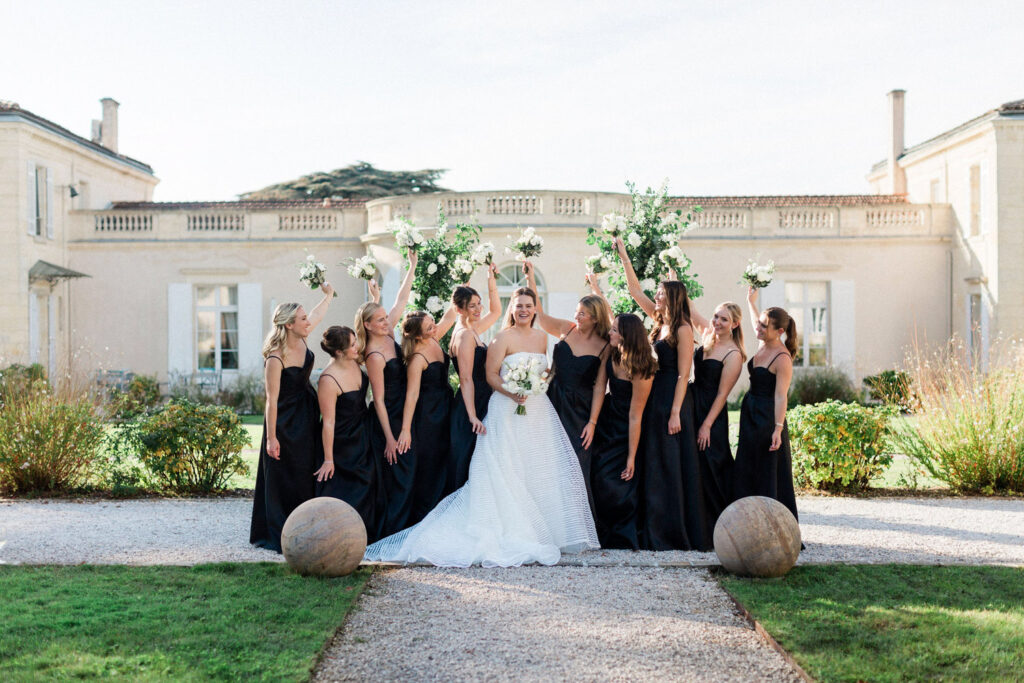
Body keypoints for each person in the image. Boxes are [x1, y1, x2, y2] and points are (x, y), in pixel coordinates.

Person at [364, 287, 599, 567]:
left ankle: (546, 529)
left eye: (528, 305)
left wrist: (537, 382)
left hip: (536, 409)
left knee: (539, 466)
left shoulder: (540, 337)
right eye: (518, 305)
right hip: (502, 406)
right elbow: (485, 375)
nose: (523, 309)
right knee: (504, 467)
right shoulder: (497, 337)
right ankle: (509, 528)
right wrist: (507, 394)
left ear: (535, 309)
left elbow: (543, 370)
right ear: (513, 309)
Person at [615, 237, 709, 551]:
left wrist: (674, 412)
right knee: (653, 462)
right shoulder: (659, 321)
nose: (655, 296)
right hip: (654, 397)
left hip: (674, 400)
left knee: (669, 464)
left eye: (661, 292)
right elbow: (634, 291)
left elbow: (684, 373)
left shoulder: (682, 327)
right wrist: (625, 256)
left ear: (672, 296)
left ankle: (672, 532)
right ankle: (652, 528)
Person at [250, 284, 335, 552]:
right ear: (289, 325)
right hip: (284, 420)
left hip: (307, 413)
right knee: (284, 472)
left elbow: (318, 314)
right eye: (302, 319)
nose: (308, 321)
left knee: (304, 468)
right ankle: (281, 530)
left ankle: (305, 525)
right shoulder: (276, 357)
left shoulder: (302, 339)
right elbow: (271, 400)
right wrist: (272, 438)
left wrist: (328, 295)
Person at [523, 261, 611, 512]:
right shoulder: (566, 328)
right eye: (576, 311)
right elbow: (539, 316)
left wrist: (592, 423)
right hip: (551, 398)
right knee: (546, 458)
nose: (576, 316)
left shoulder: (604, 346)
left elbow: (599, 387)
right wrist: (531, 280)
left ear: (594, 318)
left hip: (580, 408)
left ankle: (577, 519)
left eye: (582, 313)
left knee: (575, 460)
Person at [356, 251, 417, 536]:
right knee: (396, 472)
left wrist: (412, 266)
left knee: (408, 471)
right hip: (387, 418)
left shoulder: (390, 334)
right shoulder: (373, 354)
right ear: (368, 325)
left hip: (404, 410)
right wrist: (390, 438)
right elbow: (377, 400)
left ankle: (408, 526)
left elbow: (401, 300)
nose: (386, 322)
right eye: (379, 320)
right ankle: (393, 530)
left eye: (385, 318)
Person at [589, 313, 656, 550]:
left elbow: (636, 414)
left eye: (615, 330)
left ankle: (623, 536)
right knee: (598, 473)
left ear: (627, 334)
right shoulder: (611, 351)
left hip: (628, 426)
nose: (610, 333)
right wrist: (593, 422)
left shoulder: (643, 366)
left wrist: (631, 455)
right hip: (607, 419)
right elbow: (599, 387)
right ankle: (599, 532)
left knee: (622, 477)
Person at [735, 287, 800, 523]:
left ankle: (772, 524)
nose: (758, 329)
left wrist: (778, 429)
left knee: (766, 470)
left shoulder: (782, 358)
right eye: (760, 323)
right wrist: (750, 302)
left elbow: (781, 396)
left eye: (764, 326)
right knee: (747, 465)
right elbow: (755, 322)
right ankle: (746, 521)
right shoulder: (764, 340)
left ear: (780, 331)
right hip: (750, 413)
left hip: (767, 417)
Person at [314, 326, 383, 542]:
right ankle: (340, 537)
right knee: (344, 489)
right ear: (339, 352)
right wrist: (328, 459)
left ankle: (365, 534)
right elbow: (328, 422)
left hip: (363, 433)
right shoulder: (328, 379)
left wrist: (375, 300)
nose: (357, 347)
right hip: (342, 441)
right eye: (352, 345)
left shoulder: (354, 361)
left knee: (369, 482)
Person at [395, 309, 457, 525]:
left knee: (446, 459)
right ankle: (426, 518)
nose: (434, 327)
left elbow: (450, 316)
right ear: (418, 336)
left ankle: (445, 513)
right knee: (431, 464)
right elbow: (411, 395)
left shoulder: (433, 338)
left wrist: (463, 285)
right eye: (429, 327)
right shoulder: (417, 358)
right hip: (427, 416)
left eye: (433, 322)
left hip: (445, 407)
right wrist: (405, 429)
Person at [687, 300, 745, 526]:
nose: (717, 322)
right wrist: (674, 273)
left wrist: (706, 425)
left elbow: (722, 395)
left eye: (724, 319)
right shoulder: (708, 335)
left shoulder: (734, 354)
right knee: (695, 465)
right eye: (716, 317)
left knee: (713, 465)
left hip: (712, 414)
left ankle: (724, 522)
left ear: (735, 323)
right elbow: (691, 311)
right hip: (692, 406)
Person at [447, 265, 502, 493]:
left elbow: (497, 311)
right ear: (459, 309)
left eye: (479, 304)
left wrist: (491, 279)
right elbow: (466, 379)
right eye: (473, 306)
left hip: (479, 399)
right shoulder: (466, 335)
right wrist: (472, 416)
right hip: (472, 404)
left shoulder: (472, 329)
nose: (479, 309)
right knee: (469, 466)